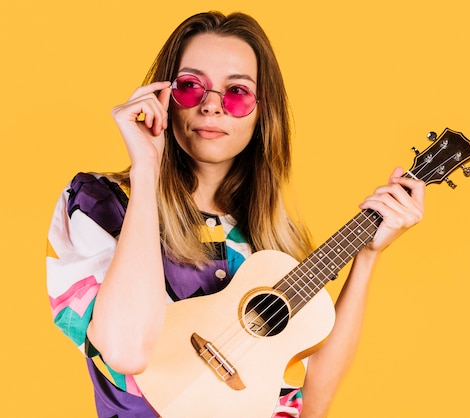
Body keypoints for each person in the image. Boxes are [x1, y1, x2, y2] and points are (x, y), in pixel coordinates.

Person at [46, 10, 425, 418]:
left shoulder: (271, 243)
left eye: (237, 92)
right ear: (163, 96)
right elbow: (125, 351)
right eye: (191, 87)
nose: (212, 107)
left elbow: (312, 406)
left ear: (263, 111)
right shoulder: (99, 204)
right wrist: (145, 171)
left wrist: (367, 255)